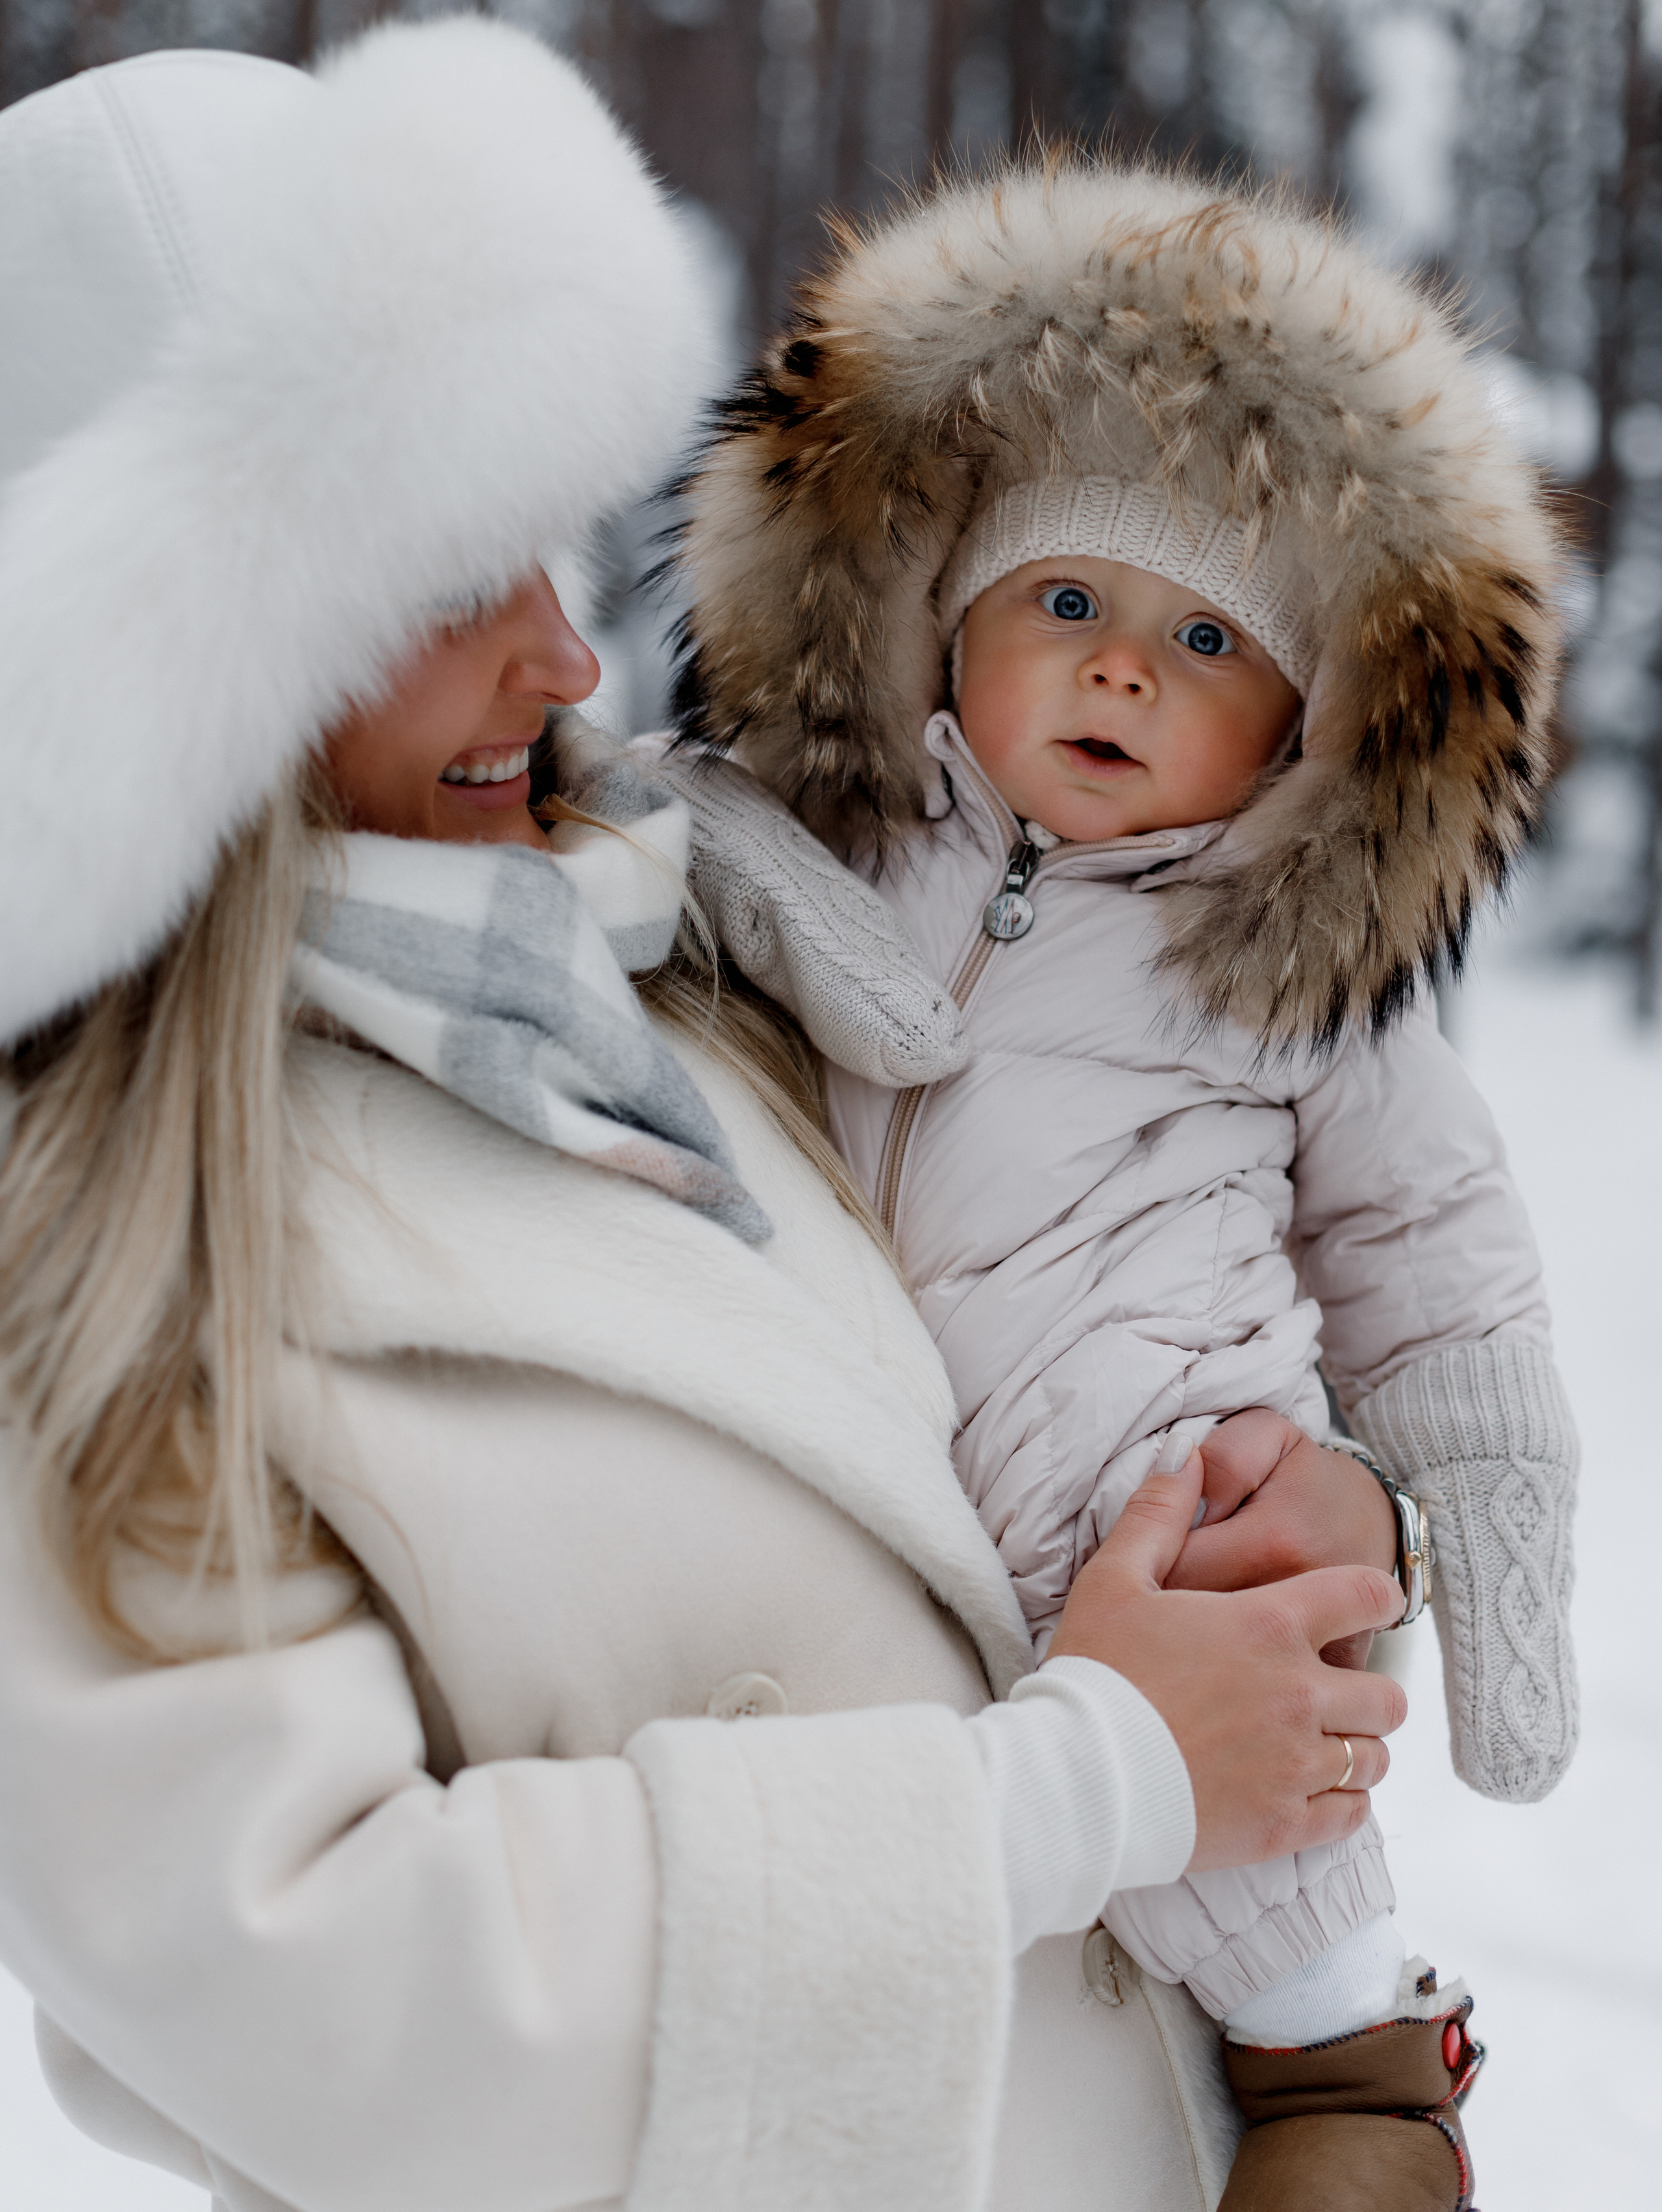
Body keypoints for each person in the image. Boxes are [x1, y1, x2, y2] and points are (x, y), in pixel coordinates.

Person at [0, 25, 1406, 2212]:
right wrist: (1099, 1777)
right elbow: (351, 2010)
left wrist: (1291, 1512)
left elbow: (1069, 1355)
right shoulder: (102, 1281)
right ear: (175, 669)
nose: (567, 663)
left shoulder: (701, 957)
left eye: (544, 548)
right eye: (446, 578)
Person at [666, 158, 1581, 2209]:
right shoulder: (825, 842)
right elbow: (681, 848)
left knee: (1271, 1914)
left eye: (1203, 640)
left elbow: (1443, 1266)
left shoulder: (1280, 971)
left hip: (1172, 1521)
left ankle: (1369, 2087)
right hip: (881, 1584)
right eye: (1066, 606)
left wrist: (1484, 1552)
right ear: (949, 628)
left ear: (1294, 731)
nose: (1119, 673)